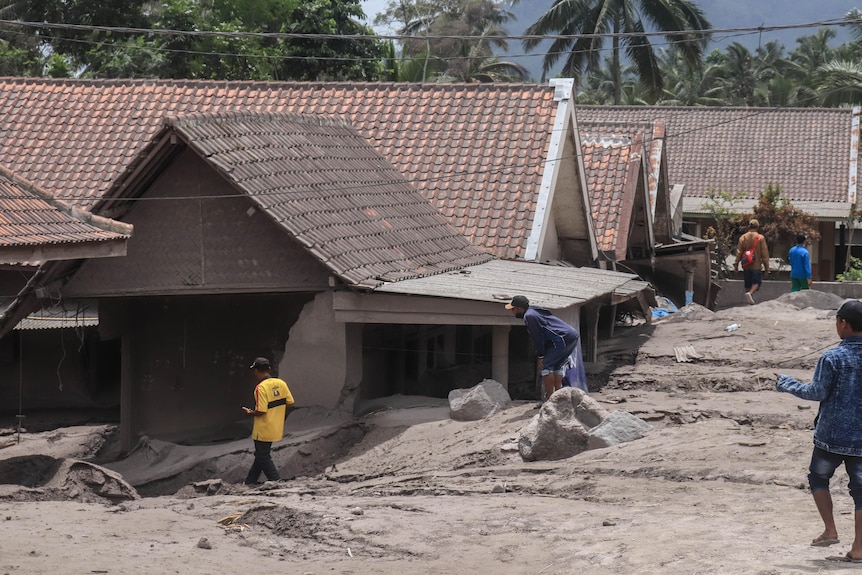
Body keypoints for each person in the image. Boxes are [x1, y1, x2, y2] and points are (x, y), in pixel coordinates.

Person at [775, 300, 862, 561]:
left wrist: (786, 383)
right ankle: (859, 549)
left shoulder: (832, 357)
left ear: (843, 323)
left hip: (830, 437)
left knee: (818, 479)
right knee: (861, 493)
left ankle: (830, 529)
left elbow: (817, 391)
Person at [505, 295, 581, 401]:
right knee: (557, 365)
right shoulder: (534, 310)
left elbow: (537, 337)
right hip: (571, 336)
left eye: (513, 309)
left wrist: (541, 355)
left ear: (519, 308)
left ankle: (550, 398)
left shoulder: (529, 316)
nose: (512, 311)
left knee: (546, 367)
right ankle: (559, 395)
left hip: (561, 338)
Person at [242, 357, 294, 485]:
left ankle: (276, 480)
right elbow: (290, 402)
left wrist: (250, 412)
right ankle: (250, 481)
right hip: (276, 426)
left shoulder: (261, 388)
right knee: (261, 454)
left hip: (263, 428)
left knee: (262, 456)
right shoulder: (281, 383)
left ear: (257, 371)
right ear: (269, 369)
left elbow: (261, 410)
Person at [734, 219, 770, 305]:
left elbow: (738, 252)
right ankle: (750, 294)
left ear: (749, 227)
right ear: (757, 227)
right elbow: (764, 254)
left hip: (746, 264)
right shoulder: (760, 238)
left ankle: (748, 300)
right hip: (756, 265)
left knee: (748, 284)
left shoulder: (743, 237)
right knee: (757, 282)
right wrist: (767, 268)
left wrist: (736, 265)